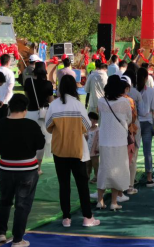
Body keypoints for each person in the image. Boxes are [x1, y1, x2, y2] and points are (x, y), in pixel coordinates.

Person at [0, 94, 45, 246]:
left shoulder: (1, 123)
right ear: (25, 109)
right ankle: (17, 239)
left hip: (6, 167)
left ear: (10, 107)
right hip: (27, 169)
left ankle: (0, 233)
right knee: (23, 204)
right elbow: (40, 144)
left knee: (4, 201)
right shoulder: (31, 125)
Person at [46, 75, 99, 228]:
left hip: (59, 150)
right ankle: (87, 217)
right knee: (82, 185)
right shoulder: (78, 105)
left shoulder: (54, 105)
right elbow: (87, 126)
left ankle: (66, 217)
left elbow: (49, 127)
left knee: (64, 185)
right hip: (77, 150)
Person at [96, 75, 132, 210]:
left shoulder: (101, 101)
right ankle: (114, 202)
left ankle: (100, 200)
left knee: (104, 169)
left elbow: (100, 117)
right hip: (119, 140)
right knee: (117, 170)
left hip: (105, 140)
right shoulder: (125, 102)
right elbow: (129, 119)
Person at [23, 62, 54, 174]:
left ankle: (29, 163)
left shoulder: (28, 82)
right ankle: (38, 167)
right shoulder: (48, 84)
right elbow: (51, 100)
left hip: (30, 113)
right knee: (42, 141)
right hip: (43, 114)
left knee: (30, 139)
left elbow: (27, 96)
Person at [136, 68, 154, 188]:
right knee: (147, 151)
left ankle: (130, 178)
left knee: (133, 151)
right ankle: (149, 178)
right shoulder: (151, 91)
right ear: (147, 78)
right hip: (147, 122)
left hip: (135, 123)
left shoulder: (133, 91)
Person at [0, 54, 15, 127]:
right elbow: (10, 89)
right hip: (6, 102)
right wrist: (4, 100)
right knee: (6, 123)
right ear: (8, 62)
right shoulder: (10, 72)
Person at [86, 111, 99, 184]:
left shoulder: (98, 130)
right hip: (87, 150)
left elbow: (99, 140)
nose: (89, 122)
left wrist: (97, 149)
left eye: (91, 120)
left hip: (94, 151)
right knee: (87, 164)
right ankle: (87, 176)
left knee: (95, 164)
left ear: (95, 121)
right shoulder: (87, 129)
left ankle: (96, 176)